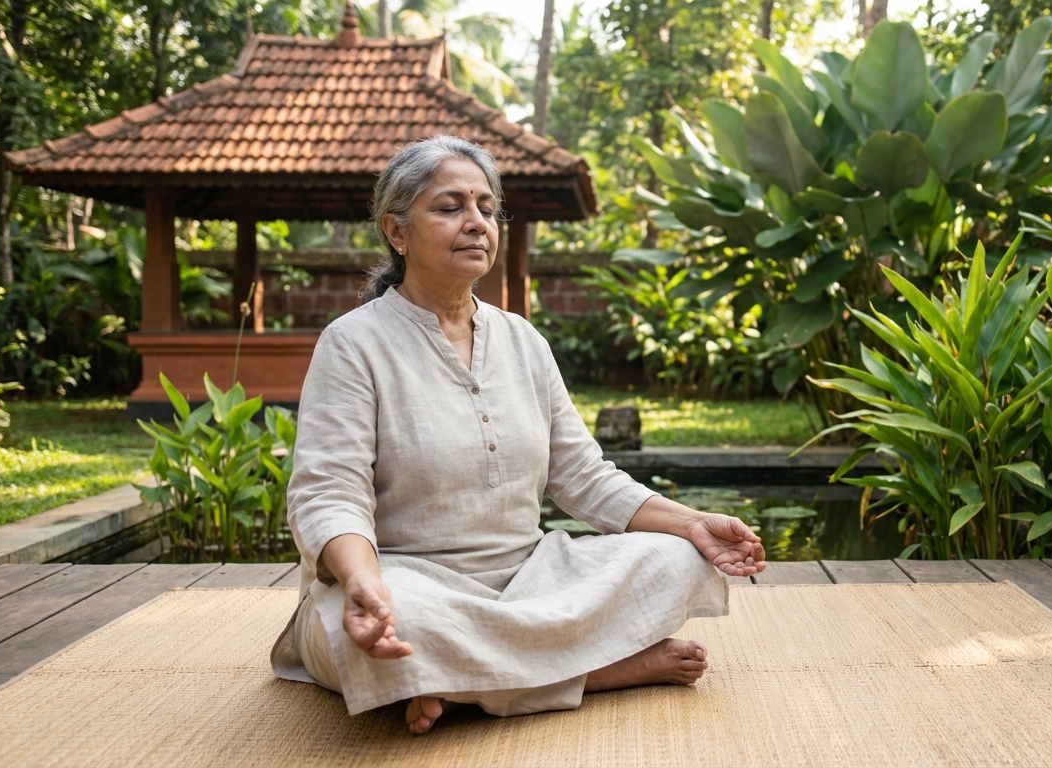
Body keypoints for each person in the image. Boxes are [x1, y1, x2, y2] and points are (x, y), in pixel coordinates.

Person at [270, 135, 767, 735]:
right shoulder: (353, 344)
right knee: (388, 628)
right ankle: (593, 671)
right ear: (396, 233)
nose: (477, 223)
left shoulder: (523, 341)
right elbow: (328, 492)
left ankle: (462, 686)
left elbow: (584, 478)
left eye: (487, 207)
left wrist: (692, 524)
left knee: (677, 558)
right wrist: (361, 580)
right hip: (404, 581)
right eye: (450, 207)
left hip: (531, 578)